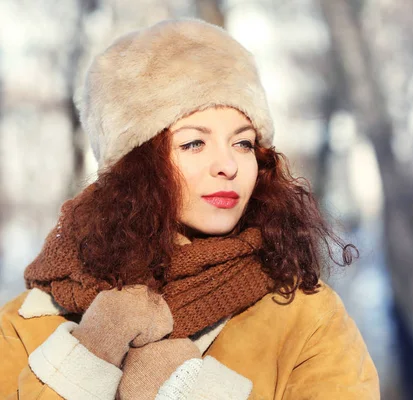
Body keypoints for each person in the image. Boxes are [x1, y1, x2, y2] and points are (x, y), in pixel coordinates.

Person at [0, 18, 379, 400]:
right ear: (136, 166)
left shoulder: (304, 317)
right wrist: (90, 352)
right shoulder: (29, 322)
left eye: (243, 143)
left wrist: (189, 392)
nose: (228, 165)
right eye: (194, 143)